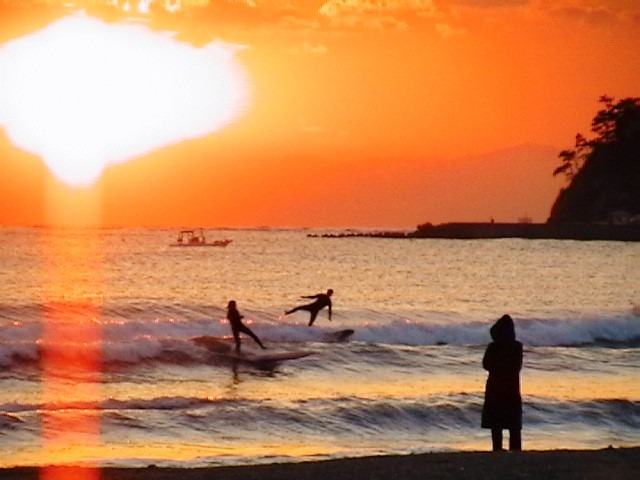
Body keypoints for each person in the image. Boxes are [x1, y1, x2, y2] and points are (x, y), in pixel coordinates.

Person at [481, 314, 523, 452]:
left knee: (496, 423)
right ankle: (516, 450)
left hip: (495, 387)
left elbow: (485, 364)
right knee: (513, 424)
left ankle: (497, 449)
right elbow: (517, 367)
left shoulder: (493, 347)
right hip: (511, 388)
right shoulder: (517, 347)